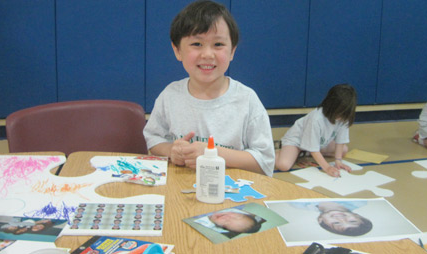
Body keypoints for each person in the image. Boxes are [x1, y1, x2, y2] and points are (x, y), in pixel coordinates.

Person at [143, 0, 275, 176]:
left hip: (231, 192)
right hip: (180, 188)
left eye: (218, 44)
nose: (207, 54)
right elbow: (153, 139)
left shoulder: (247, 100)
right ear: (177, 51)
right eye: (197, 44)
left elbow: (264, 162)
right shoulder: (170, 96)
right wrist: (172, 151)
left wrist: (213, 153)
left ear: (232, 51)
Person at [275, 84, 357, 177]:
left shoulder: (344, 118)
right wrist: (327, 167)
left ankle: (304, 152)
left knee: (344, 150)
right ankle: (282, 150)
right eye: (339, 112)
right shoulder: (316, 119)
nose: (341, 117)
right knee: (283, 165)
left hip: (317, 143)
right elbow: (314, 149)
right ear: (330, 106)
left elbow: (341, 140)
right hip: (296, 142)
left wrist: (338, 161)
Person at [291, 200, 372, 236]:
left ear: (320, 220)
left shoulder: (299, 204)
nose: (341, 219)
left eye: (336, 223)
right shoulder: (359, 201)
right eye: (352, 221)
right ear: (358, 216)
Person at [194, 208, 266, 238]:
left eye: (226, 223)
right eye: (237, 217)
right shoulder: (234, 208)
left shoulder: (203, 222)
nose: (226, 218)